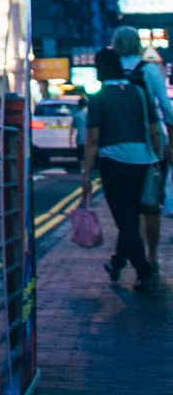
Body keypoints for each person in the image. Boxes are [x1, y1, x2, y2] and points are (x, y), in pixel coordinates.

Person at [82, 47, 162, 292]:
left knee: (126, 220)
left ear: (99, 69)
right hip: (142, 161)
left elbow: (93, 138)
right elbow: (154, 130)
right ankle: (117, 263)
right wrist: (155, 159)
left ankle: (144, 271)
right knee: (131, 216)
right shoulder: (139, 92)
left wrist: (86, 174)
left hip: (114, 163)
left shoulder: (99, 96)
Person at [111, 26, 173, 270]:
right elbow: (166, 108)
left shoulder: (111, 69)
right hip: (150, 145)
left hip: (114, 146)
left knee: (126, 209)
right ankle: (151, 257)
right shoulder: (149, 69)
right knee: (149, 206)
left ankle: (123, 260)